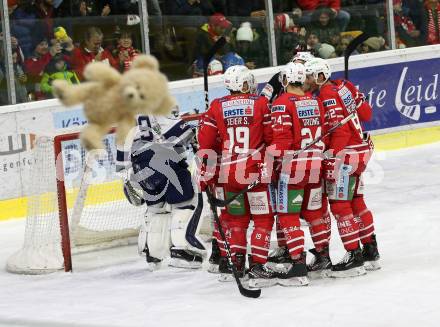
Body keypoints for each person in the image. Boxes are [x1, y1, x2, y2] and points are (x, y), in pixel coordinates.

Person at [197, 65, 276, 288]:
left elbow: (206, 144)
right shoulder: (260, 103)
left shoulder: (216, 106)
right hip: (254, 172)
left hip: (228, 174)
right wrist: (269, 164)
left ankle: (237, 263)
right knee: (262, 219)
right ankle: (258, 266)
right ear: (242, 84)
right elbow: (272, 138)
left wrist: (207, 173)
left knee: (236, 221)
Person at [304, 57, 381, 277]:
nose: (306, 80)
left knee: (339, 206)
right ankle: (370, 250)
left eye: (309, 76)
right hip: (361, 150)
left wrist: (329, 156)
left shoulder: (327, 95)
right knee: (357, 202)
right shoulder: (344, 86)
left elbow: (341, 132)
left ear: (320, 77)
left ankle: (354, 256)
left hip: (346, 156)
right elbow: (367, 114)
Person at [118, 109, 209, 270]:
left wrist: (127, 178)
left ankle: (153, 253)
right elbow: (177, 131)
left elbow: (121, 152)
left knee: (156, 208)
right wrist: (194, 131)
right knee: (186, 202)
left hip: (139, 168)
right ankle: (183, 250)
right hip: (162, 160)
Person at [267, 62, 326, 286]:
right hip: (315, 163)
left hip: (293, 167)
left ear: (286, 80)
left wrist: (269, 160)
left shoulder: (282, 103)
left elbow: (282, 141)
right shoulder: (315, 100)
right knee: (313, 213)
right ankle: (323, 257)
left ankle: (298, 263)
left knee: (287, 214)